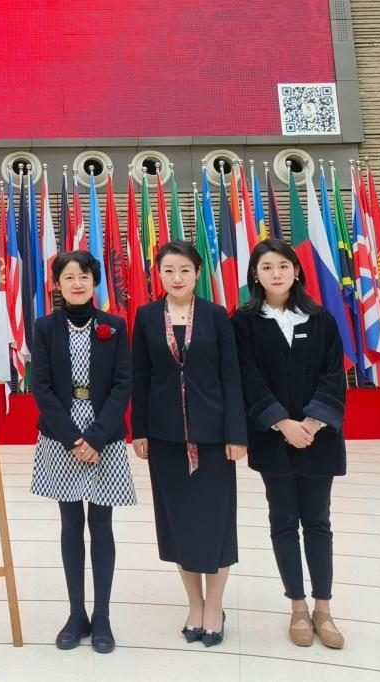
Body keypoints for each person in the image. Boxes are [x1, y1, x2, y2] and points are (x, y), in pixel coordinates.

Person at [130, 240, 247, 648]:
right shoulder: (146, 317)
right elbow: (140, 377)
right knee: (178, 524)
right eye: (168, 270)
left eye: (184, 270)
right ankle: (194, 604)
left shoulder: (216, 316)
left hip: (213, 439)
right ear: (158, 274)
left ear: (197, 273)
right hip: (165, 439)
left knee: (216, 524)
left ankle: (214, 606)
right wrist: (139, 430)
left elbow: (231, 376)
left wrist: (236, 434)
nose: (176, 277)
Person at [231, 238, 346, 649]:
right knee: (282, 520)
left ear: (296, 271)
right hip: (273, 439)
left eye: (283, 266)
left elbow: (334, 375)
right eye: (266, 267)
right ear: (255, 275)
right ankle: (297, 607)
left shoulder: (321, 318)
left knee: (318, 521)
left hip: (319, 437)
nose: (275, 273)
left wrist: (310, 423)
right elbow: (247, 377)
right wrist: (282, 423)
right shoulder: (243, 321)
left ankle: (323, 609)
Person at [30, 251, 135, 654]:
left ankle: (102, 615)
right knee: (71, 523)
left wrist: (96, 437)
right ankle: (76, 614)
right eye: (69, 277)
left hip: (104, 432)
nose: (77, 283)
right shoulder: (44, 327)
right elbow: (41, 387)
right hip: (62, 435)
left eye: (85, 277)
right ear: (57, 284)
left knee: (102, 525)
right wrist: (74, 439)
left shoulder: (114, 326)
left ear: (95, 282)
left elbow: (123, 385)